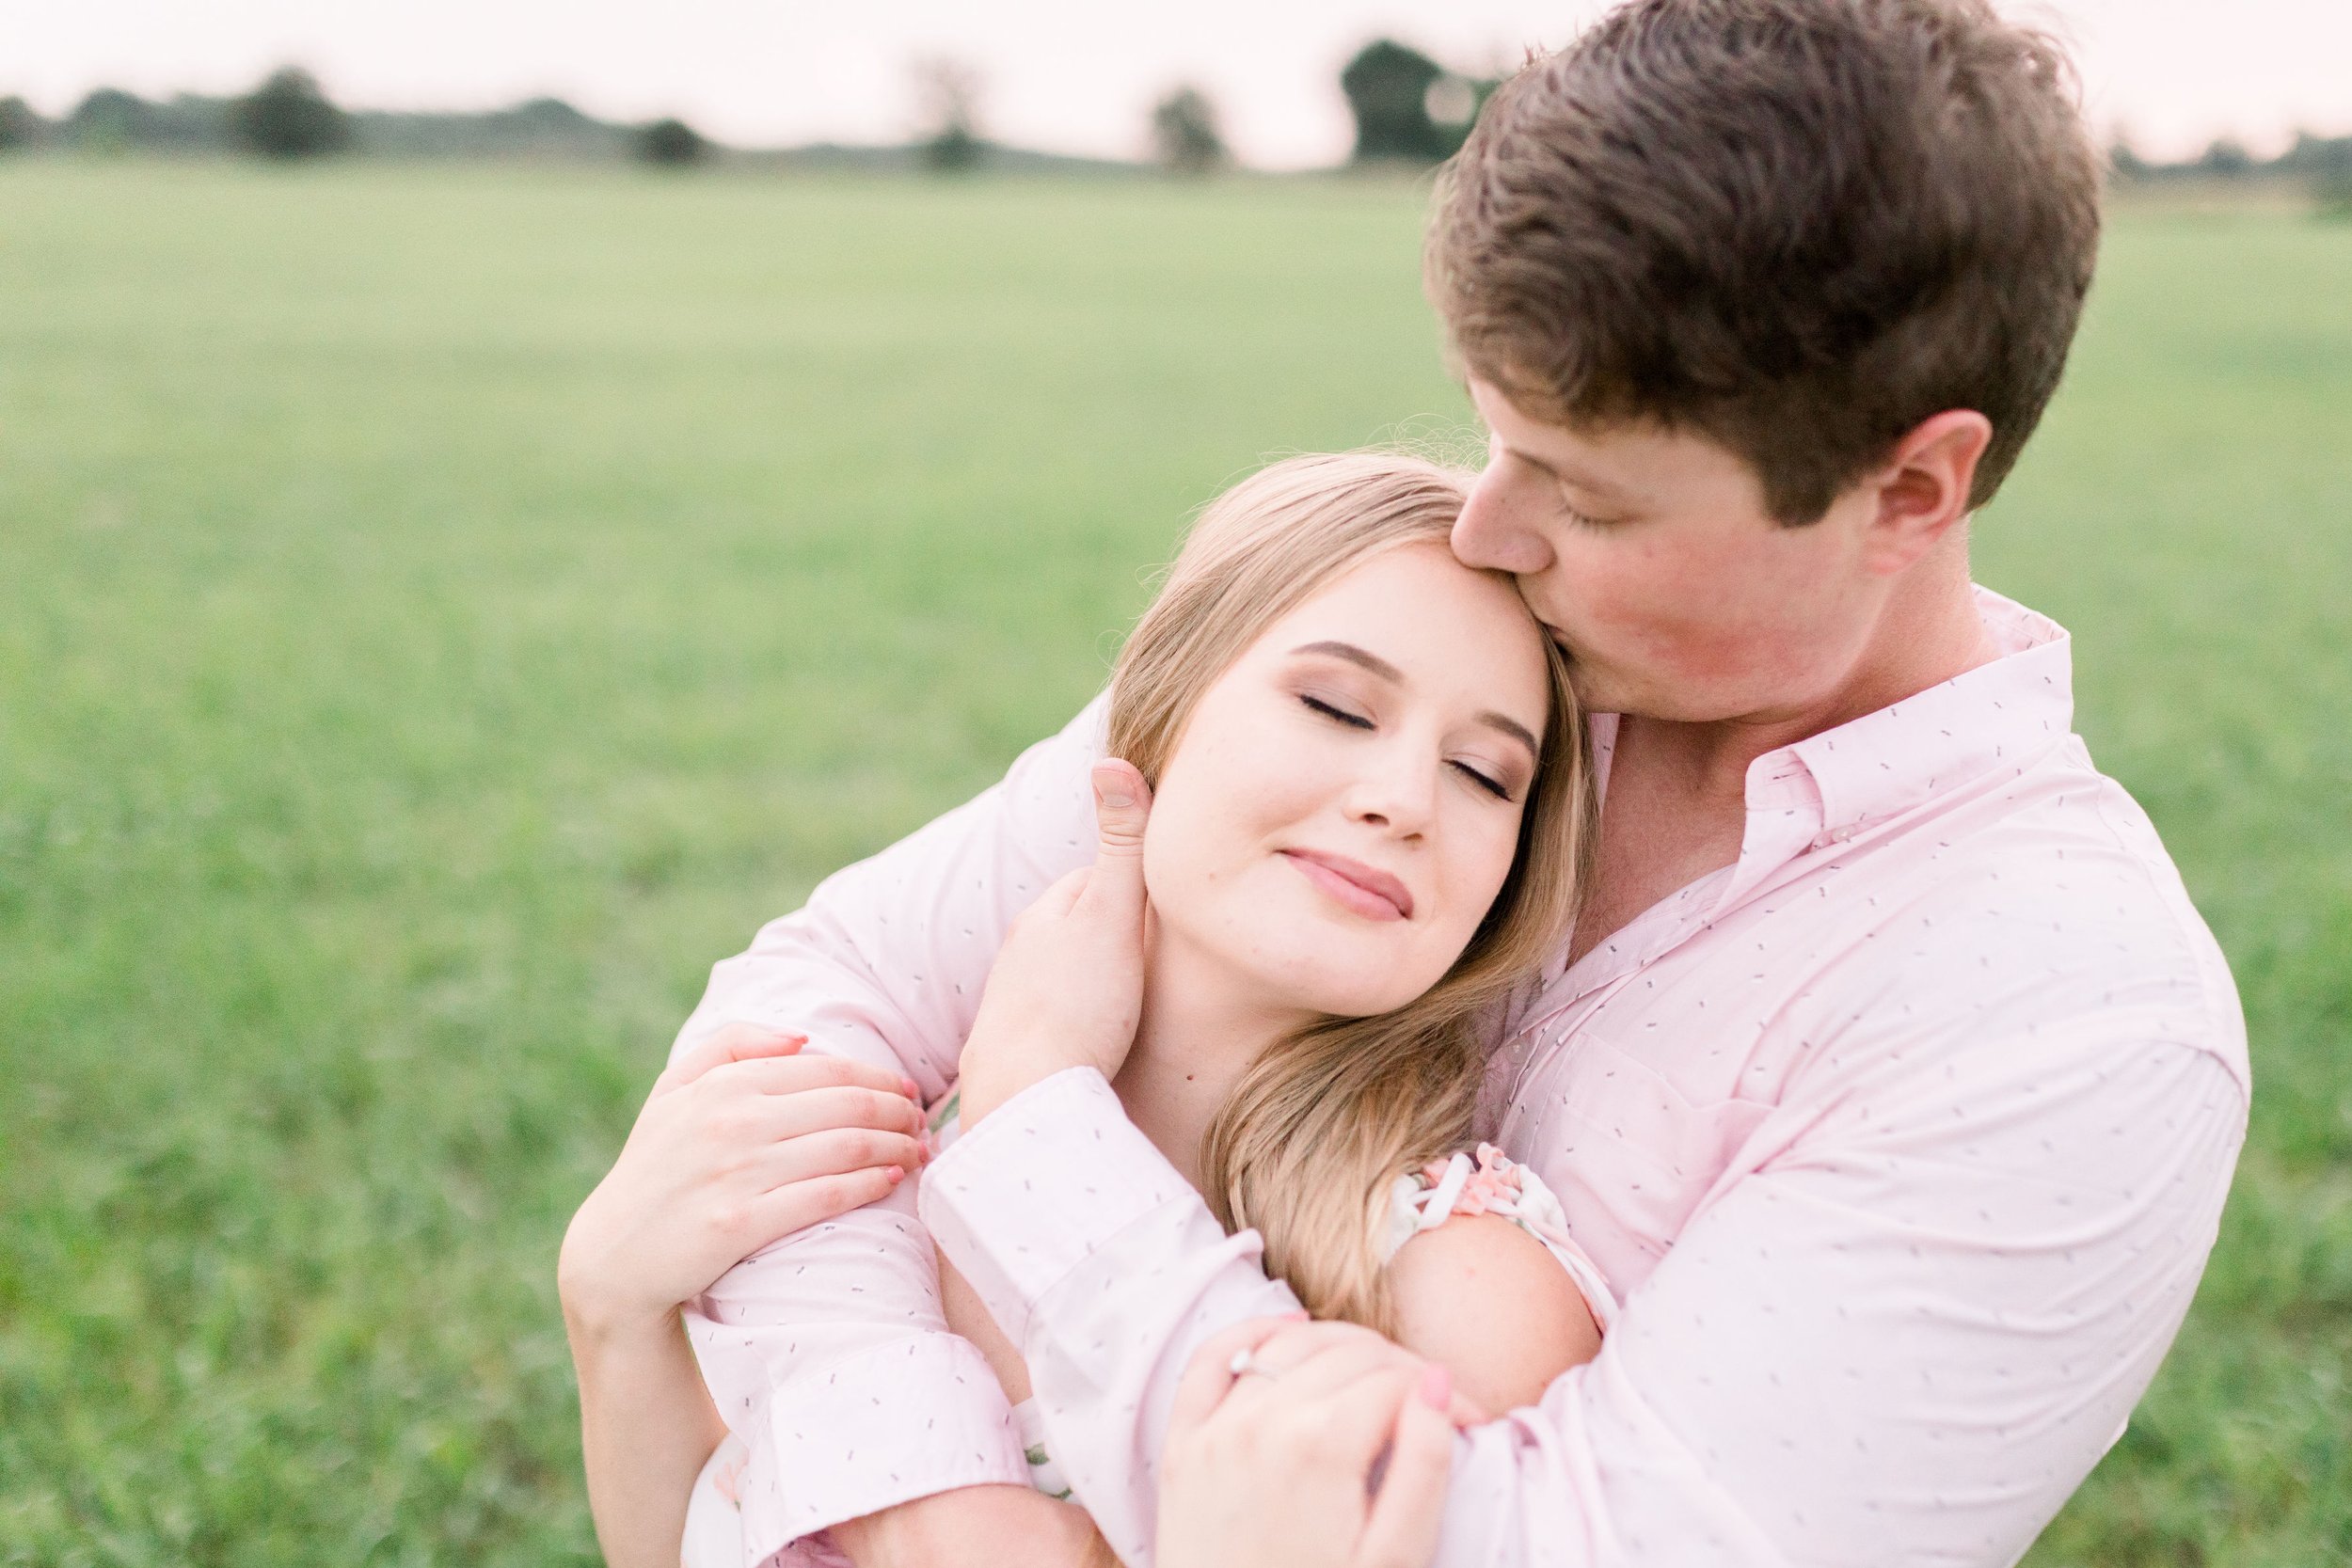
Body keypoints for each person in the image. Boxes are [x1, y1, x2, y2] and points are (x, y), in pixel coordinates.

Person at [660, 2, 2252, 1565]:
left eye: (1587, 498)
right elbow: (809, 1018)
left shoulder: (2070, 1015)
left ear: (1908, 485)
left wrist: (1031, 1138)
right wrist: (944, 1497)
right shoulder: (1416, 645)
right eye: (1499, 442)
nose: (1486, 530)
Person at [560, 453, 1612, 1566]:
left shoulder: (1457, 1286)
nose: (1401, 799)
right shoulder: (886, 1167)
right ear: (1152, 718)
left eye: (1485, 773)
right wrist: (611, 1319)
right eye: (1335, 704)